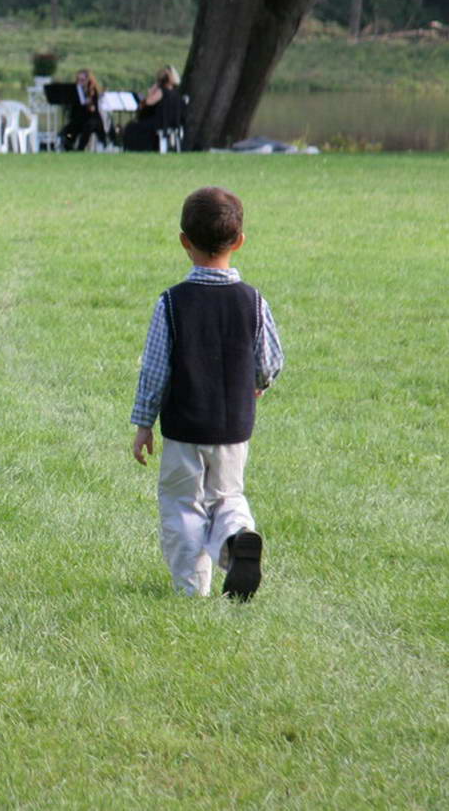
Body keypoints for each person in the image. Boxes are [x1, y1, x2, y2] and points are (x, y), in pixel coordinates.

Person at [130, 186, 284, 601]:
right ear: (239, 241)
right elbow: (270, 360)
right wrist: (258, 386)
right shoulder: (253, 301)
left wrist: (144, 423)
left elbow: (155, 370)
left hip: (183, 427)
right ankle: (235, 539)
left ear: (184, 241)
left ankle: (191, 588)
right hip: (234, 426)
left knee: (183, 505)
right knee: (227, 496)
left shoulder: (172, 303)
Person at [121, 65, 183, 152]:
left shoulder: (162, 91)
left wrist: (151, 91)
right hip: (172, 122)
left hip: (161, 123)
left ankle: (137, 148)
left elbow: (148, 102)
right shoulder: (176, 93)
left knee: (131, 127)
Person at [59, 68, 107, 151]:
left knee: (88, 127)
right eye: (78, 80)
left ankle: (80, 149)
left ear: (88, 80)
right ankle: (68, 147)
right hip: (79, 119)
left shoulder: (93, 91)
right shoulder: (75, 91)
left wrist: (89, 103)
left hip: (92, 119)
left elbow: (93, 110)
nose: (80, 82)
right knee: (68, 130)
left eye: (83, 80)